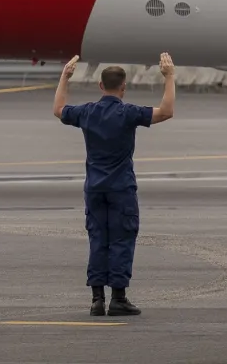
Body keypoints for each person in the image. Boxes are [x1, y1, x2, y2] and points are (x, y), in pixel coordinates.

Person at [53, 52, 176, 317]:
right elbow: (166, 111)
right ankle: (118, 297)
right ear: (123, 87)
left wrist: (65, 77)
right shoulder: (128, 113)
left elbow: (58, 109)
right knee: (121, 240)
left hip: (94, 187)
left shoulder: (86, 112)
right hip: (121, 187)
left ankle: (97, 299)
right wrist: (169, 77)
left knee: (98, 239)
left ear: (100, 86)